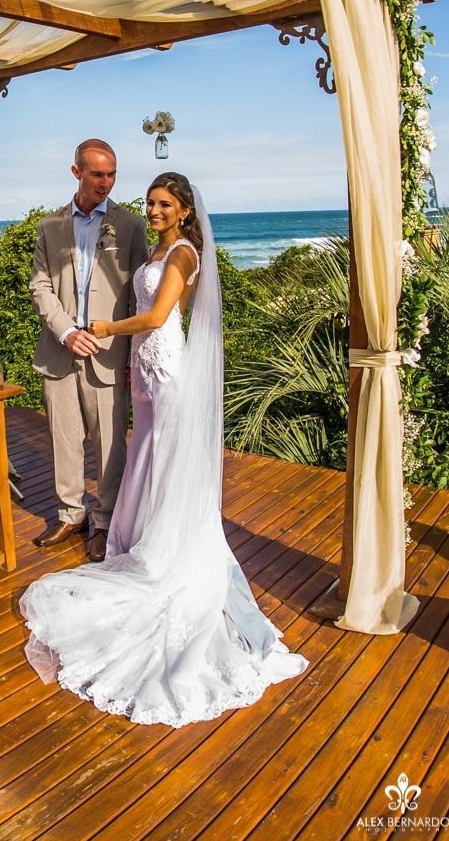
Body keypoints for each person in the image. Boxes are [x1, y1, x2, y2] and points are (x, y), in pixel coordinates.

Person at [20, 173, 308, 726]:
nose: (153, 210)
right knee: (149, 457)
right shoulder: (158, 247)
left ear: (182, 211)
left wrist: (106, 326)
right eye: (150, 202)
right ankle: (141, 535)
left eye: (164, 204)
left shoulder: (181, 254)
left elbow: (156, 319)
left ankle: (168, 551)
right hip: (147, 371)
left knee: (168, 464)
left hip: (166, 366)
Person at [29, 139, 149, 561]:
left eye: (111, 174)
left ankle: (105, 520)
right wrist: (65, 331)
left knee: (110, 442)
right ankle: (69, 513)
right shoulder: (49, 227)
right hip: (60, 349)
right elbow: (40, 286)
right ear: (76, 172)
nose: (106, 182)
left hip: (108, 352)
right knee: (63, 437)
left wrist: (135, 355)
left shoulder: (131, 226)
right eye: (97, 174)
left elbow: (139, 294)